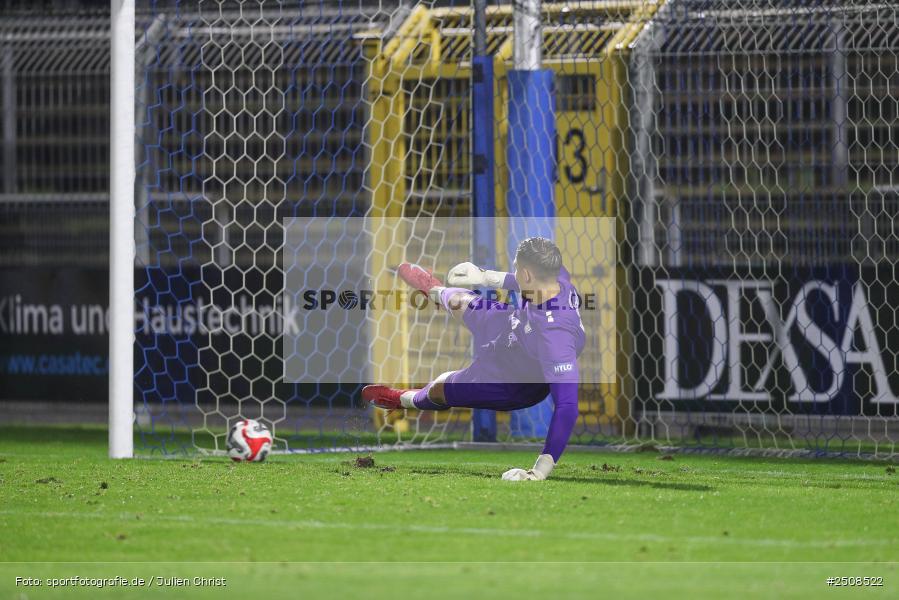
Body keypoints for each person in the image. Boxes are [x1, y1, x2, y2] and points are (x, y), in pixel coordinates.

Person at [362, 237, 586, 481]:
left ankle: (401, 400)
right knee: (459, 300)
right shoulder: (555, 275)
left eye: (516, 269)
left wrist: (539, 471)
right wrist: (483, 276)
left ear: (527, 274)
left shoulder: (556, 338)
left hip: (512, 380)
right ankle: (434, 289)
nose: (514, 274)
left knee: (440, 388)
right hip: (512, 325)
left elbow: (567, 408)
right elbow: (518, 281)